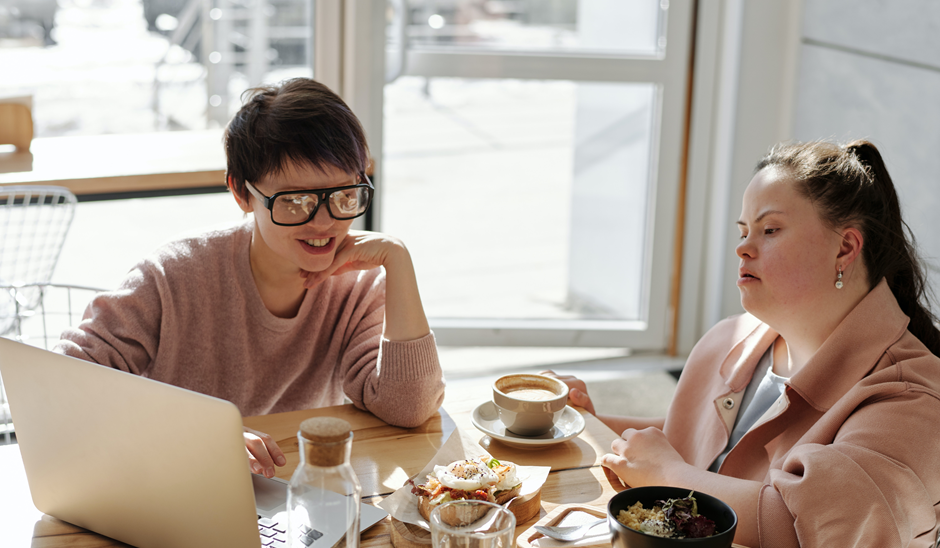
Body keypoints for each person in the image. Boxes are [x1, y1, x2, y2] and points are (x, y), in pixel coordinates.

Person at [547, 140, 940, 547]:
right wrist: (587, 423)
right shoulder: (729, 340)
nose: (742, 247)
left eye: (769, 230)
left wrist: (667, 475)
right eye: (743, 231)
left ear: (844, 248)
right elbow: (690, 445)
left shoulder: (911, 401)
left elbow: (808, 523)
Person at [56, 78, 445, 479]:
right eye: (295, 201)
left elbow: (409, 408)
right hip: (177, 482)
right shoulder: (173, 274)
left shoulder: (358, 285)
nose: (326, 222)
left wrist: (398, 261)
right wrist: (202, 434)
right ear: (242, 193)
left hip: (296, 492)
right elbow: (64, 384)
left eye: (345, 194)